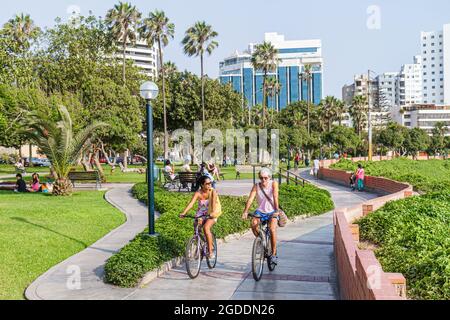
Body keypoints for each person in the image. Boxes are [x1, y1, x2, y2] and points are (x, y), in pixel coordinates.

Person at [242, 168, 280, 265]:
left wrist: (276, 210)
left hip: (272, 211)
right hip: (261, 211)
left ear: (269, 177)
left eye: (266, 178)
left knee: (272, 229)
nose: (263, 180)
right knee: (253, 224)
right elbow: (250, 199)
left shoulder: (273, 184)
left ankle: (274, 254)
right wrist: (245, 211)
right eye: (261, 178)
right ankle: (261, 240)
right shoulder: (256, 186)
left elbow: (275, 196)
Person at [180, 175, 219, 259]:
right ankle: (198, 246)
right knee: (196, 228)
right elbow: (191, 204)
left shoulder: (212, 191)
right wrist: (184, 212)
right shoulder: (198, 193)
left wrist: (212, 213)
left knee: (206, 228)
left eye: (210, 183)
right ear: (202, 185)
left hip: (211, 213)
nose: (209, 185)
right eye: (207, 183)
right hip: (201, 214)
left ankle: (210, 251)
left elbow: (213, 204)